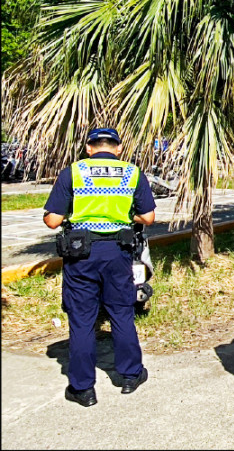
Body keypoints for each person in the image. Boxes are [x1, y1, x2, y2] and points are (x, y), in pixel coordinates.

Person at [43, 127, 156, 407]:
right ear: (118, 148)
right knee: (121, 311)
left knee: (82, 318)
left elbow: (52, 221)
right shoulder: (132, 173)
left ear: (89, 148)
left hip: (81, 253)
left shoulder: (74, 172)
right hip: (118, 252)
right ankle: (130, 375)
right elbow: (149, 217)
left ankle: (83, 389)